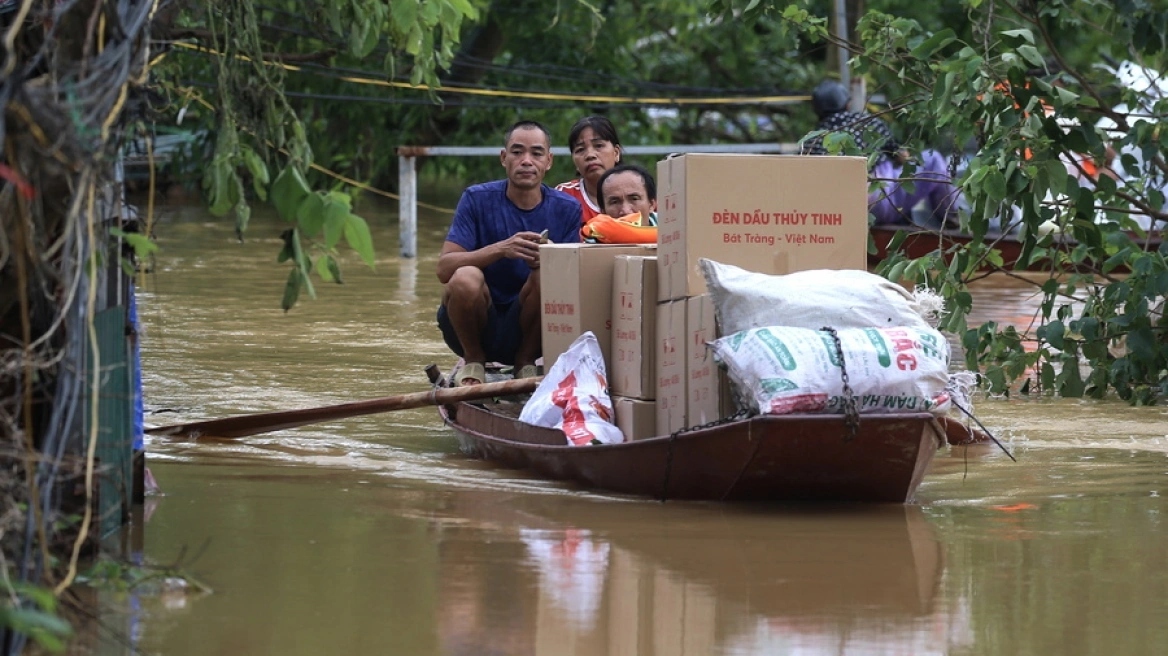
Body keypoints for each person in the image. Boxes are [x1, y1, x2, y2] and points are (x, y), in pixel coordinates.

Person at [436, 120, 582, 386]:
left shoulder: (568, 208)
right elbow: (444, 269)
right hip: (476, 323)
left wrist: (549, 260)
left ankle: (525, 362)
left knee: (547, 278)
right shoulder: (476, 198)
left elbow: (575, 280)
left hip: (531, 331)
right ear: (504, 158)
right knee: (465, 277)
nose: (526, 161)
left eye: (536, 153)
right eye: (517, 152)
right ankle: (474, 361)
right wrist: (502, 249)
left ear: (548, 161)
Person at [802, 79, 961, 227]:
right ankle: (951, 219)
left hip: (837, 216)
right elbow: (903, 158)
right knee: (933, 159)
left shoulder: (812, 140)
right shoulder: (867, 123)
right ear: (848, 105)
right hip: (878, 204)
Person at [556, 116, 623, 222]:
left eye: (599, 146)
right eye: (580, 149)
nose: (590, 155)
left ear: (616, 153)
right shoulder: (562, 196)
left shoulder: (638, 191)